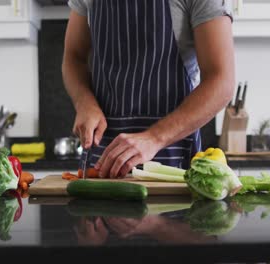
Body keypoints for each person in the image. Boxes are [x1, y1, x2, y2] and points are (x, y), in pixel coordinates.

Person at [62, 0, 235, 178]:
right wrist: (84, 102)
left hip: (171, 161)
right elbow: (74, 57)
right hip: (101, 158)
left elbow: (221, 81)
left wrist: (154, 138)